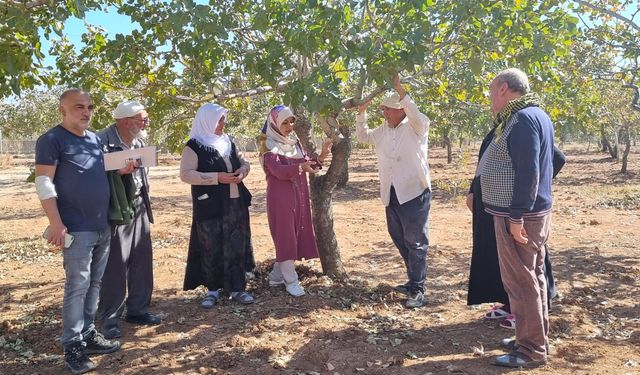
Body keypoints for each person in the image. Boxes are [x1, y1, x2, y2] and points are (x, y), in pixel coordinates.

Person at [35, 89, 120, 374]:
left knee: (94, 284)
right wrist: (56, 223)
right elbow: (44, 183)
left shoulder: (95, 139)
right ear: (63, 110)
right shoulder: (51, 140)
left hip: (101, 226)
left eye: (90, 107)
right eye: (79, 107)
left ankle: (87, 334)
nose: (86, 112)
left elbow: (101, 170)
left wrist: (125, 169)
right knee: (77, 287)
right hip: (76, 229)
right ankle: (72, 346)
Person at [479, 68, 555, 368]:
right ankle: (532, 337)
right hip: (531, 212)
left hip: (522, 216)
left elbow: (528, 171)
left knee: (521, 283)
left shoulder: (521, 119)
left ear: (502, 88)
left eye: (490, 91)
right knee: (532, 278)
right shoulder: (535, 115)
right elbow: (553, 159)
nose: (489, 99)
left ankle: (531, 350)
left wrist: (517, 214)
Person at [467, 128, 566, 330]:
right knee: (502, 257)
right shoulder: (500, 128)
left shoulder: (522, 127)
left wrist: (532, 188)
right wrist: (472, 189)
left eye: (494, 94)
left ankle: (527, 312)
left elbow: (557, 158)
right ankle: (509, 301)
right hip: (492, 204)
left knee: (523, 261)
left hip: (515, 208)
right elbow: (487, 164)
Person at [355, 74, 431, 309]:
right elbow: (362, 136)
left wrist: (400, 90)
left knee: (416, 241)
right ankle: (412, 280)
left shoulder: (417, 126)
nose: (385, 113)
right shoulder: (384, 130)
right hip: (391, 193)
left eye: (388, 109)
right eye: (383, 110)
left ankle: (418, 289)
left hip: (413, 192)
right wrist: (361, 112)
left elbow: (414, 112)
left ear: (401, 110)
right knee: (399, 237)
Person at [97, 100, 161, 340]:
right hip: (115, 209)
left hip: (138, 205)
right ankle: (109, 320)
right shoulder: (101, 141)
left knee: (141, 259)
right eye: (141, 118)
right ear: (125, 121)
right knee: (115, 265)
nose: (146, 122)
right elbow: (93, 172)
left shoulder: (139, 141)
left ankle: (138, 310)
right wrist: (116, 170)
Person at [181, 103, 256, 307]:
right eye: (218, 120)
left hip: (235, 203)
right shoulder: (194, 145)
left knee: (236, 243)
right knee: (210, 244)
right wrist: (216, 178)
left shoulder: (229, 141)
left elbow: (245, 163)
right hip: (209, 205)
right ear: (207, 121)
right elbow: (186, 174)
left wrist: (242, 172)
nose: (223, 123)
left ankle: (237, 288)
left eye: (223, 119)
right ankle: (212, 291)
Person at [260, 105, 332, 297]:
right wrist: (301, 167)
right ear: (274, 123)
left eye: (291, 121)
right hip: (280, 198)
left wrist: (323, 154)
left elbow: (310, 165)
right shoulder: (267, 145)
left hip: (298, 196)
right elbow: (278, 171)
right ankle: (291, 281)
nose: (289, 126)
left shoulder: (294, 144)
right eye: (284, 122)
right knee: (286, 236)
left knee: (294, 234)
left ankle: (276, 277)